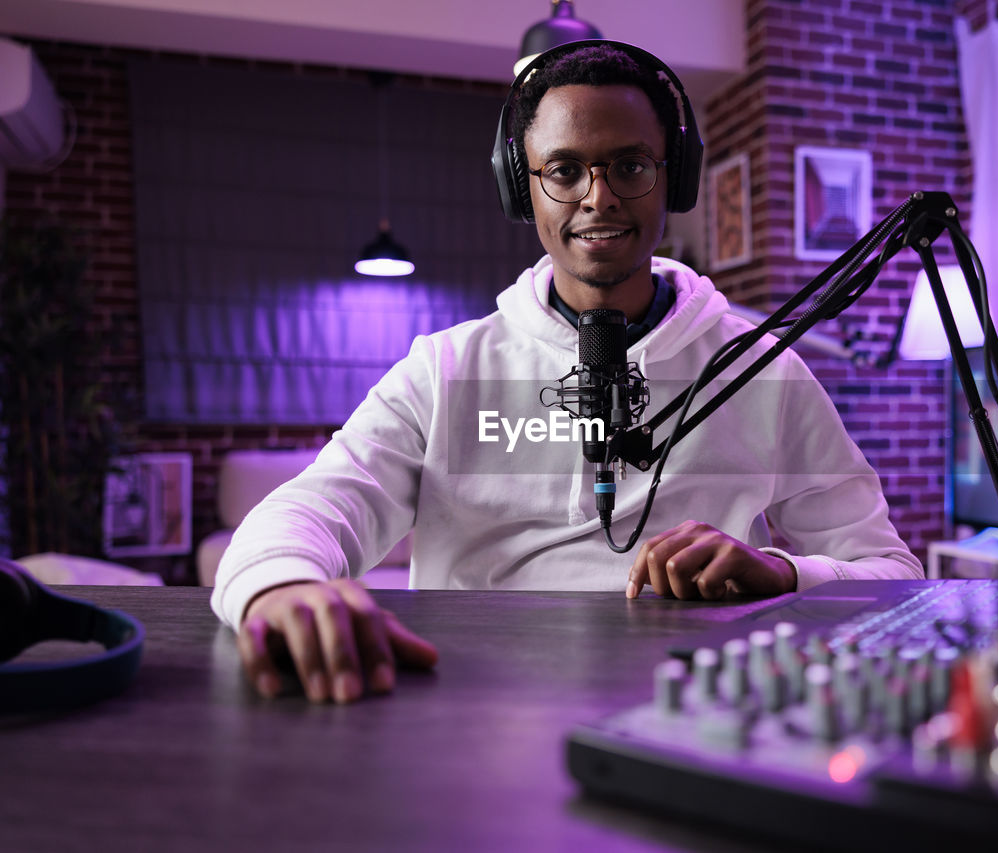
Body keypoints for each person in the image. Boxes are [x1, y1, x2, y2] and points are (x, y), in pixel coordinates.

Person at [212, 41, 923, 705]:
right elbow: (319, 504)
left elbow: (893, 573)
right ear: (523, 188)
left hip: (687, 707)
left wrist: (784, 571)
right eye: (564, 170)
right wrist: (280, 585)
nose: (599, 196)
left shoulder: (764, 370)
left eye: (631, 165)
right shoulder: (446, 368)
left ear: (672, 176)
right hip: (470, 711)